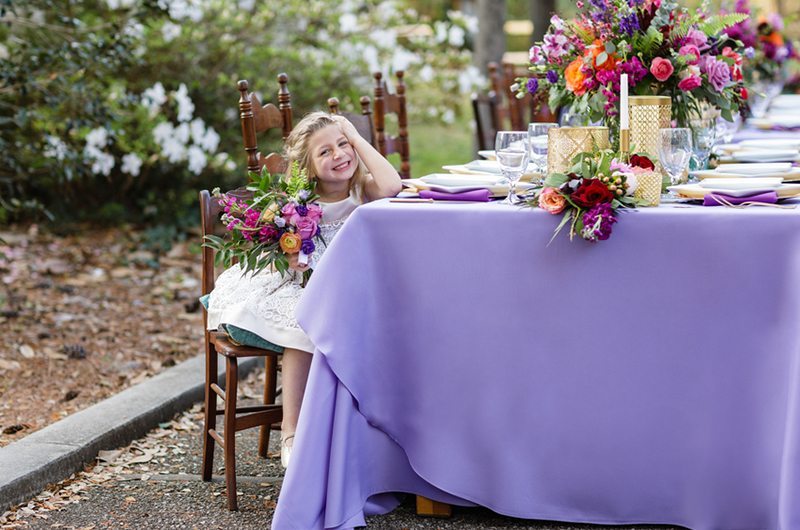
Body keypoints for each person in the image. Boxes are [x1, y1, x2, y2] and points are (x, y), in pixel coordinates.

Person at [206, 111, 402, 468]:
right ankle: (292, 432)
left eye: (342, 146)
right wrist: (290, 252)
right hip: (300, 284)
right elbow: (280, 246)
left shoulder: (362, 189)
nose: (339, 155)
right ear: (309, 167)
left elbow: (392, 186)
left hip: (348, 285)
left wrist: (355, 138)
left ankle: (357, 427)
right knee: (306, 324)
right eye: (325, 152)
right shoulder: (297, 203)